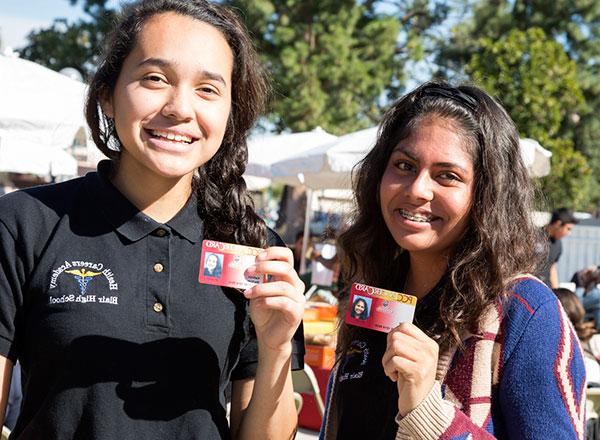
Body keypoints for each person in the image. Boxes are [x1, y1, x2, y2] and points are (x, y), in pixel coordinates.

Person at [0, 1, 305, 439]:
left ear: (230, 114)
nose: (180, 107)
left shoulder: (255, 251)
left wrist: (276, 349)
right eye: (155, 78)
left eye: (208, 89)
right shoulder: (23, 223)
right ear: (107, 94)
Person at [319, 82, 586, 439]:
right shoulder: (373, 297)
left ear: (485, 196)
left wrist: (428, 413)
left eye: (448, 175)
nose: (416, 189)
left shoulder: (525, 313)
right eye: (404, 165)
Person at [537, 207, 578, 288]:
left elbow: (552, 268)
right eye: (568, 229)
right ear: (558, 224)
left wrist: (556, 291)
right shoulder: (532, 236)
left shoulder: (558, 245)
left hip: (545, 288)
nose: (569, 233)